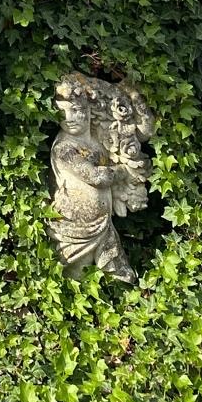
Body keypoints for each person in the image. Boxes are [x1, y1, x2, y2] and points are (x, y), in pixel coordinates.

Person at [48, 73, 137, 283]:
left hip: (103, 225)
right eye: (62, 113)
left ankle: (126, 305)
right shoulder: (64, 148)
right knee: (75, 280)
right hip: (75, 228)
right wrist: (123, 171)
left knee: (121, 276)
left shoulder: (96, 143)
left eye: (76, 111)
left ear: (88, 110)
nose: (68, 119)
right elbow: (97, 177)